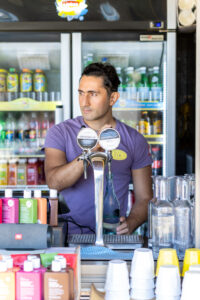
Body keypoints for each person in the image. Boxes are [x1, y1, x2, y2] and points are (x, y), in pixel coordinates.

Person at [44, 62, 153, 235]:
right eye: (81, 93)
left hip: (112, 237)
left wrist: (131, 223)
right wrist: (91, 152)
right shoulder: (60, 132)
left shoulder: (134, 139)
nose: (84, 102)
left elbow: (145, 198)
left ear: (113, 98)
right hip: (67, 238)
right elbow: (54, 182)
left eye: (93, 94)